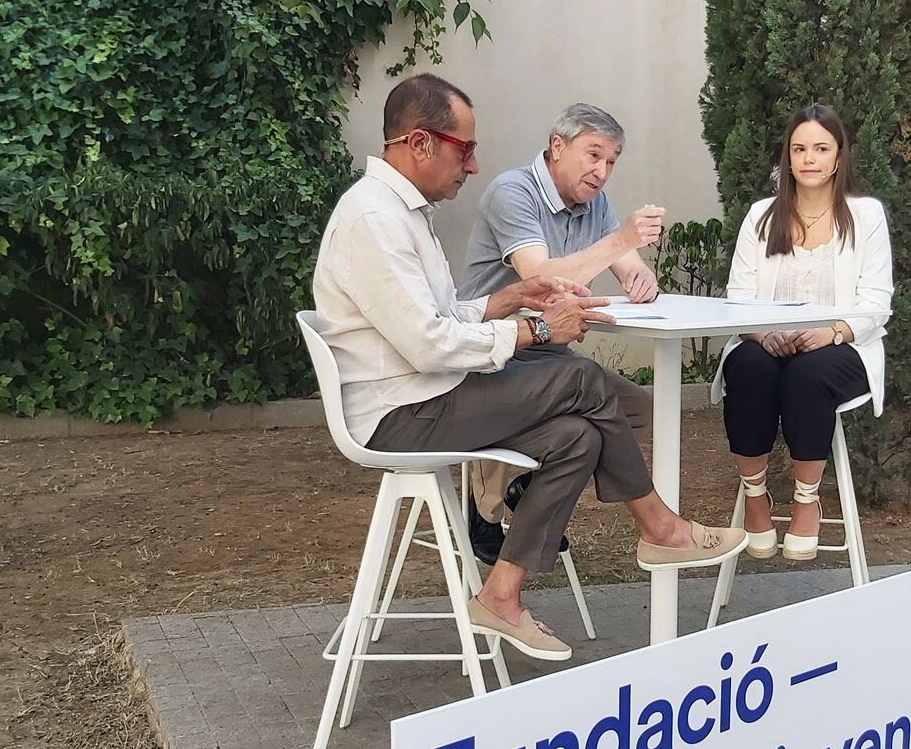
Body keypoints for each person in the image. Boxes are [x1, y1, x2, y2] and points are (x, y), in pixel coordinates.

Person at [308, 74, 744, 662]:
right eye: (464, 149)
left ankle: (502, 594)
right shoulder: (374, 219)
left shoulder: (402, 213)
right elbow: (428, 344)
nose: (473, 163)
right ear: (419, 143)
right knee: (584, 380)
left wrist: (511, 299)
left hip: (427, 392)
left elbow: (441, 314)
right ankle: (660, 528)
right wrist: (536, 329)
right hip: (400, 410)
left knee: (579, 435)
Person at [457, 103, 665, 564]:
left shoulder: (596, 204)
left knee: (636, 409)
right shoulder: (512, 191)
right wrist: (622, 241)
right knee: (582, 403)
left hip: (551, 352)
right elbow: (539, 276)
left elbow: (628, 266)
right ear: (557, 146)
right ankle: (485, 506)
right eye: (593, 155)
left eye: (611, 161)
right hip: (497, 347)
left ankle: (524, 488)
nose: (602, 171)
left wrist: (639, 277)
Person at [713, 104, 893, 562]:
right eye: (799, 149)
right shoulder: (761, 215)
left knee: (807, 375)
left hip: (841, 346)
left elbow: (877, 302)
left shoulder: (865, 215)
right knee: (747, 366)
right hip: (765, 341)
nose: (809, 158)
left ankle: (805, 501)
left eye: (820, 148)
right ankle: (755, 495)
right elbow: (739, 296)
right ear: (787, 159)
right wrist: (760, 332)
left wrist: (833, 330)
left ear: (838, 157)